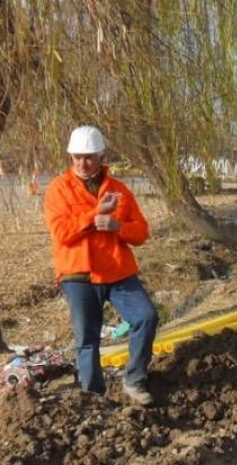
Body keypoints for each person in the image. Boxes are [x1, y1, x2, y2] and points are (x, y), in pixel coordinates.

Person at [44, 126, 158, 405]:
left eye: (89, 158)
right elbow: (61, 232)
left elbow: (141, 232)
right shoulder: (58, 189)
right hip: (78, 273)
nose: (83, 164)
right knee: (87, 338)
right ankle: (93, 397)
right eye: (77, 158)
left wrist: (118, 227)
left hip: (118, 272)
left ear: (101, 156)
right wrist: (95, 216)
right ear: (71, 157)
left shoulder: (119, 190)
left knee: (146, 317)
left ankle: (134, 380)